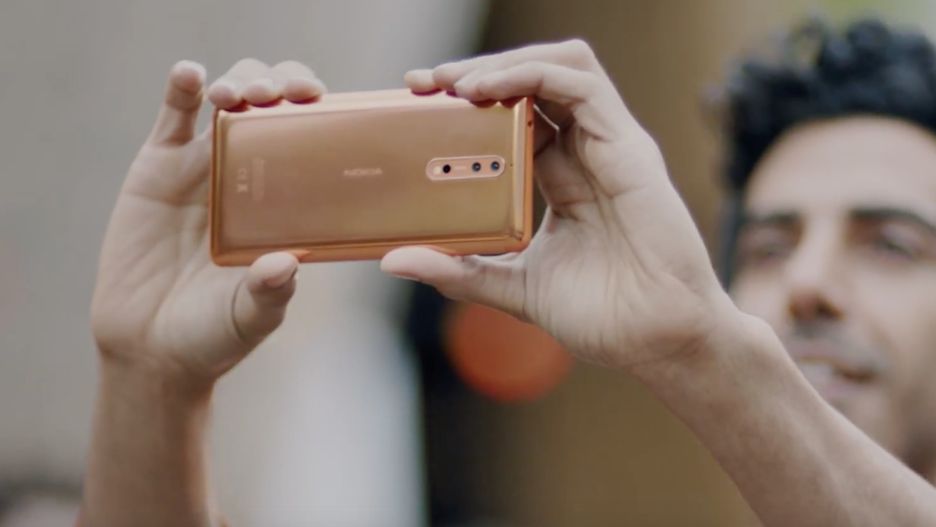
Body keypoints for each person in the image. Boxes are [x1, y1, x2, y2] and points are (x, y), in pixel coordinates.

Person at [79, 18, 936, 527]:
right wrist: (150, 382)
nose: (806, 284)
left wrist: (701, 347)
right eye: (769, 246)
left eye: (892, 245)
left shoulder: (710, 353)